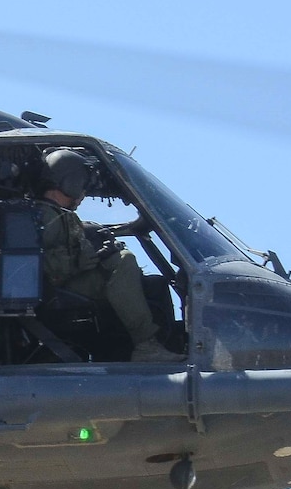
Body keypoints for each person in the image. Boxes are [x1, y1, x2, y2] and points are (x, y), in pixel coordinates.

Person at [36, 147, 182, 364]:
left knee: (154, 284)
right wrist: (79, 259)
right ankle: (146, 345)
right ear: (70, 181)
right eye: (82, 185)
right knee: (124, 262)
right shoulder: (45, 216)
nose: (83, 193)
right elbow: (40, 266)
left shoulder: (60, 215)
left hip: (68, 281)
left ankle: (160, 342)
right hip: (56, 289)